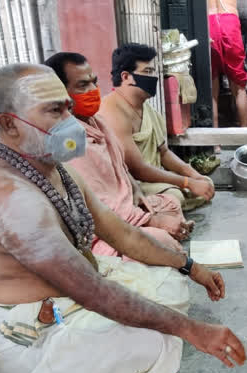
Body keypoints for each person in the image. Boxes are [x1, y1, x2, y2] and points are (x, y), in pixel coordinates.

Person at [0, 64, 246, 373]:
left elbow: (124, 236)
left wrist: (192, 267)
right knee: (160, 341)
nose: (69, 121)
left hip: (68, 301)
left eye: (67, 106)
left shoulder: (53, 170)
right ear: (10, 123)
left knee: (171, 286)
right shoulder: (12, 200)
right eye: (54, 110)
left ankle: (138, 370)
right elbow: (93, 292)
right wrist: (194, 330)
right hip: (27, 335)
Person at [44, 51, 190, 252]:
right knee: (163, 244)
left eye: (94, 82)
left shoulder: (98, 122)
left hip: (128, 204)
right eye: (83, 85)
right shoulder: (69, 142)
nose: (94, 90)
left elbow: (125, 166)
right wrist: (152, 221)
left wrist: (137, 192)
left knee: (172, 202)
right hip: (105, 225)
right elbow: (99, 208)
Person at [99, 43, 215, 214]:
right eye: (147, 72)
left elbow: (164, 153)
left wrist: (193, 175)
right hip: (132, 183)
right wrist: (186, 183)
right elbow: (137, 169)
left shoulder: (148, 110)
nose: (153, 77)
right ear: (125, 77)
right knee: (175, 195)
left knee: (206, 183)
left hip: (154, 180)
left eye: (154, 72)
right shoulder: (112, 110)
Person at [208, 0, 247, 129]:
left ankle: (215, 144)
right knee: (239, 87)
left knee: (212, 89)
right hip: (229, 20)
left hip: (209, 23)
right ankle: (246, 137)